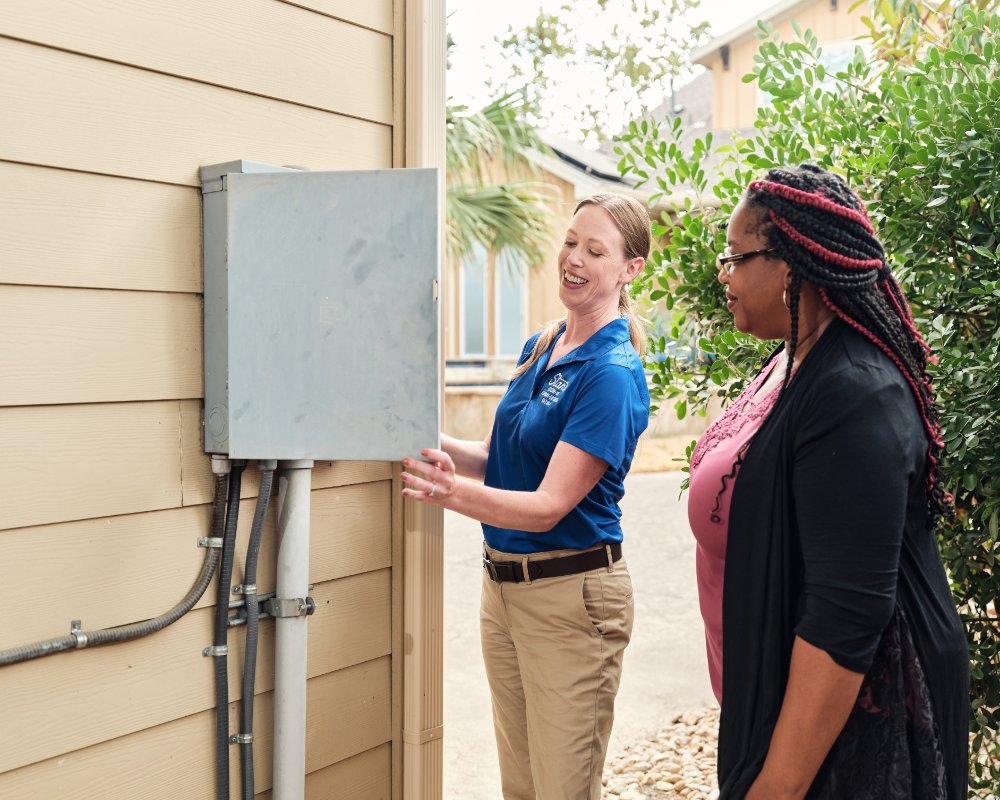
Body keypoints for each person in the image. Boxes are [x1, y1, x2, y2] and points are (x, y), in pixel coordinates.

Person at [687, 163, 969, 799]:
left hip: (864, 725)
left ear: (790, 266)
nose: (723, 274)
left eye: (735, 257)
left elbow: (845, 616)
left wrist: (776, 788)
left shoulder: (853, 393)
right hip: (785, 700)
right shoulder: (793, 360)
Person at [402, 193, 651, 800]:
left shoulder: (611, 373)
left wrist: (447, 491)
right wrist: (421, 438)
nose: (574, 258)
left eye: (595, 250)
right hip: (505, 592)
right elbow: (501, 461)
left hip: (572, 602)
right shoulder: (542, 346)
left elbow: (548, 505)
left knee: (563, 789)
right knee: (521, 786)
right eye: (571, 242)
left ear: (629, 270)